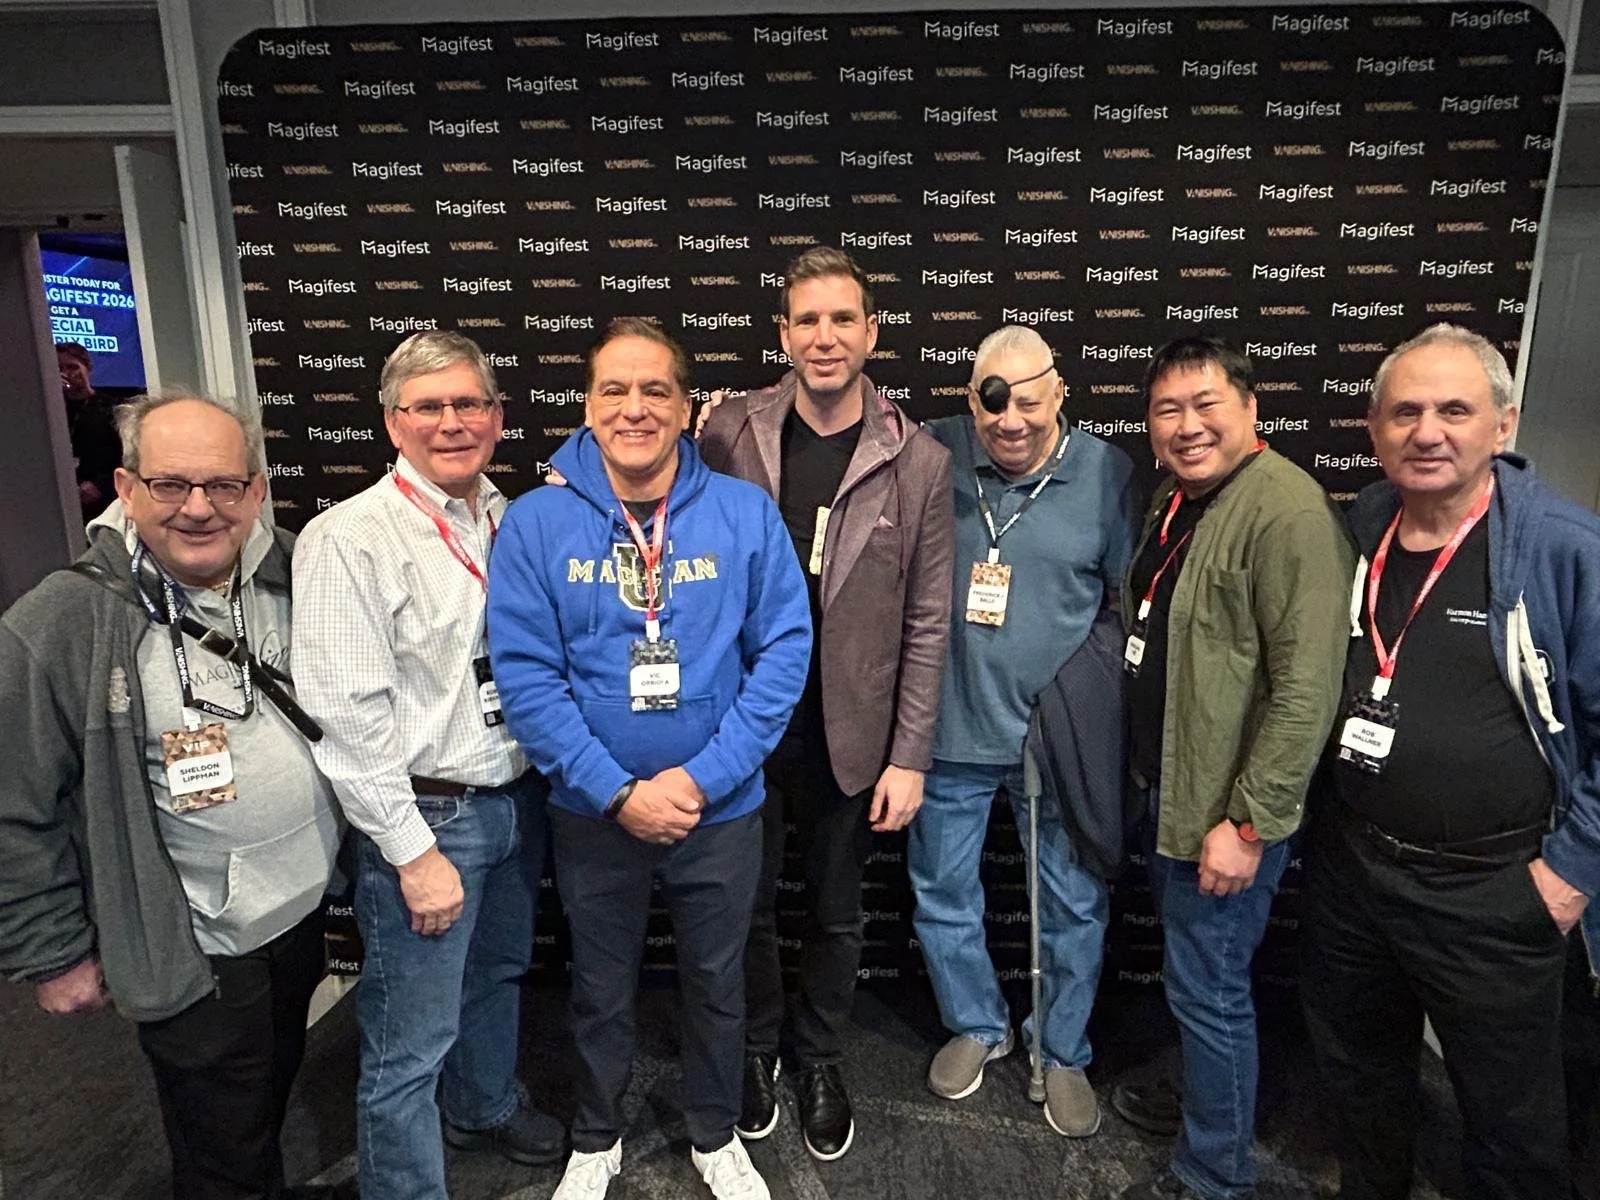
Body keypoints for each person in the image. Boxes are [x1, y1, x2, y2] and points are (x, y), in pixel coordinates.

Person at [488, 318, 811, 1200]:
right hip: (594, 811)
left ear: (686, 405)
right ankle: (596, 1136)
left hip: (721, 809)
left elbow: (783, 655)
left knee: (717, 982)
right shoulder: (536, 522)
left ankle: (714, 1132)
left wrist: (702, 779)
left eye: (655, 390)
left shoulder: (743, 513)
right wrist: (616, 790)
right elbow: (526, 676)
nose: (634, 408)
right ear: (587, 405)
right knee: (598, 986)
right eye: (614, 391)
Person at [0, 391, 342, 1199]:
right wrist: (52, 952)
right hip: (192, 947)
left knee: (263, 1101)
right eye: (171, 484)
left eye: (222, 485)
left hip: (298, 915)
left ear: (255, 491)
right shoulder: (62, 623)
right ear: (126, 487)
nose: (198, 507)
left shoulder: (293, 571)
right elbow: (14, 807)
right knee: (220, 1142)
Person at [1301, 323, 1600, 1200]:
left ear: (1503, 426)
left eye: (1454, 411)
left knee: (1512, 1126)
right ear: (1374, 429)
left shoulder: (1564, 550)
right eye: (1405, 413)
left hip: (1493, 891)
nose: (1427, 432)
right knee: (1361, 1086)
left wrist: (1569, 874)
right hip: (1357, 874)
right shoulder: (1359, 527)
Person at [697, 246, 955, 1161]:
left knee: (838, 915)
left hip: (852, 735)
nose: (825, 336)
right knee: (749, 906)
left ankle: (820, 1057)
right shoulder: (730, 432)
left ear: (872, 331)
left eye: (843, 318)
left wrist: (910, 755)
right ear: (783, 334)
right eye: (807, 319)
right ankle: (756, 1048)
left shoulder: (917, 458)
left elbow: (928, 618)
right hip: (743, 728)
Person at [292, 331, 561, 1200]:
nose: (453, 422)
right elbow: (346, 721)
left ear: (498, 416)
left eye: (469, 403)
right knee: (409, 1043)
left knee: (496, 975)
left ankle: (481, 1106)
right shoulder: (350, 538)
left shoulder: (511, 518)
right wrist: (411, 853)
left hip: (517, 796)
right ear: (392, 423)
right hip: (429, 814)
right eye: (429, 407)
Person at [1116, 336, 1354, 1200]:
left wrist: (1248, 824)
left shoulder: (1287, 513)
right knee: (1196, 980)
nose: (1187, 425)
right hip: (1171, 791)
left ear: (1251, 407)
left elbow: (1307, 690)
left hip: (1224, 815)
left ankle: (1212, 1172)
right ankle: (1201, 1098)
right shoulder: (1178, 500)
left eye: (1205, 404)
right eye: (1167, 409)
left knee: (1211, 989)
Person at [906, 325, 1140, 1136]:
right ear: (971, 401)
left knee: (1072, 903)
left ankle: (1063, 1048)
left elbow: (1129, 603)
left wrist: (1081, 694)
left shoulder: (1107, 473)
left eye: (1029, 402)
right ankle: (977, 1022)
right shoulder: (933, 451)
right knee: (942, 893)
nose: (1010, 421)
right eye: (992, 402)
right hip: (951, 731)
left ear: (1060, 393)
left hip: (1057, 741)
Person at [57, 340, 121, 523]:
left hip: (102, 498)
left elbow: (125, 456)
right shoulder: (51, 411)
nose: (66, 374)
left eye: (73, 367)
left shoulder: (112, 408)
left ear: (88, 368)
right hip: (64, 497)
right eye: (59, 368)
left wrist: (102, 485)